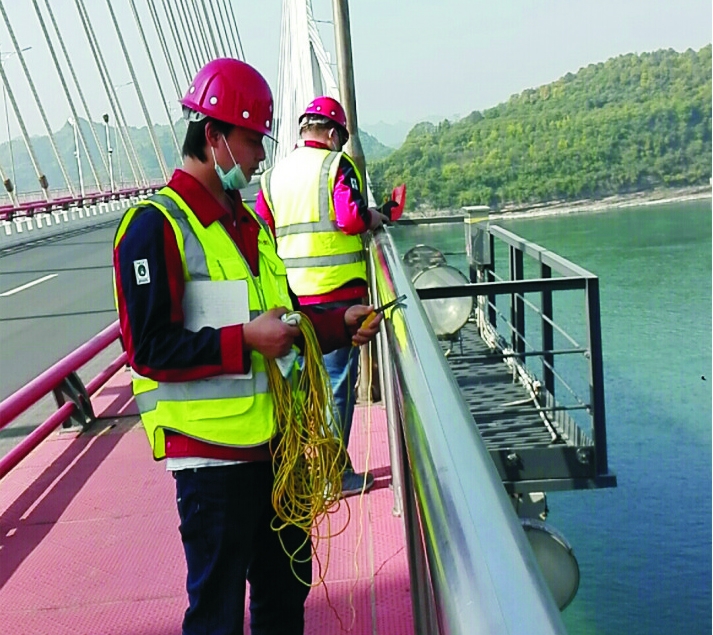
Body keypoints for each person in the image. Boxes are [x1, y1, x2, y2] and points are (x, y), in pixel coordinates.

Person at [112, 59, 381, 635]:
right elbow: (149, 348)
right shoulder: (156, 226)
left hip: (276, 451)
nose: (260, 155)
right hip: (213, 464)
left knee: (286, 598)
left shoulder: (250, 226)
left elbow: (283, 318)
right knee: (217, 614)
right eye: (252, 139)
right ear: (213, 137)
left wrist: (338, 325)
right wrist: (245, 340)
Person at [255, 95, 388, 498]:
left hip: (294, 298)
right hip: (338, 298)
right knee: (336, 385)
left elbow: (264, 229)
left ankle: (305, 466)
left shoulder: (273, 176)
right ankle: (336, 474)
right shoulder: (335, 165)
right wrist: (374, 217)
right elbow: (349, 218)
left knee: (302, 387)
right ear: (333, 135)